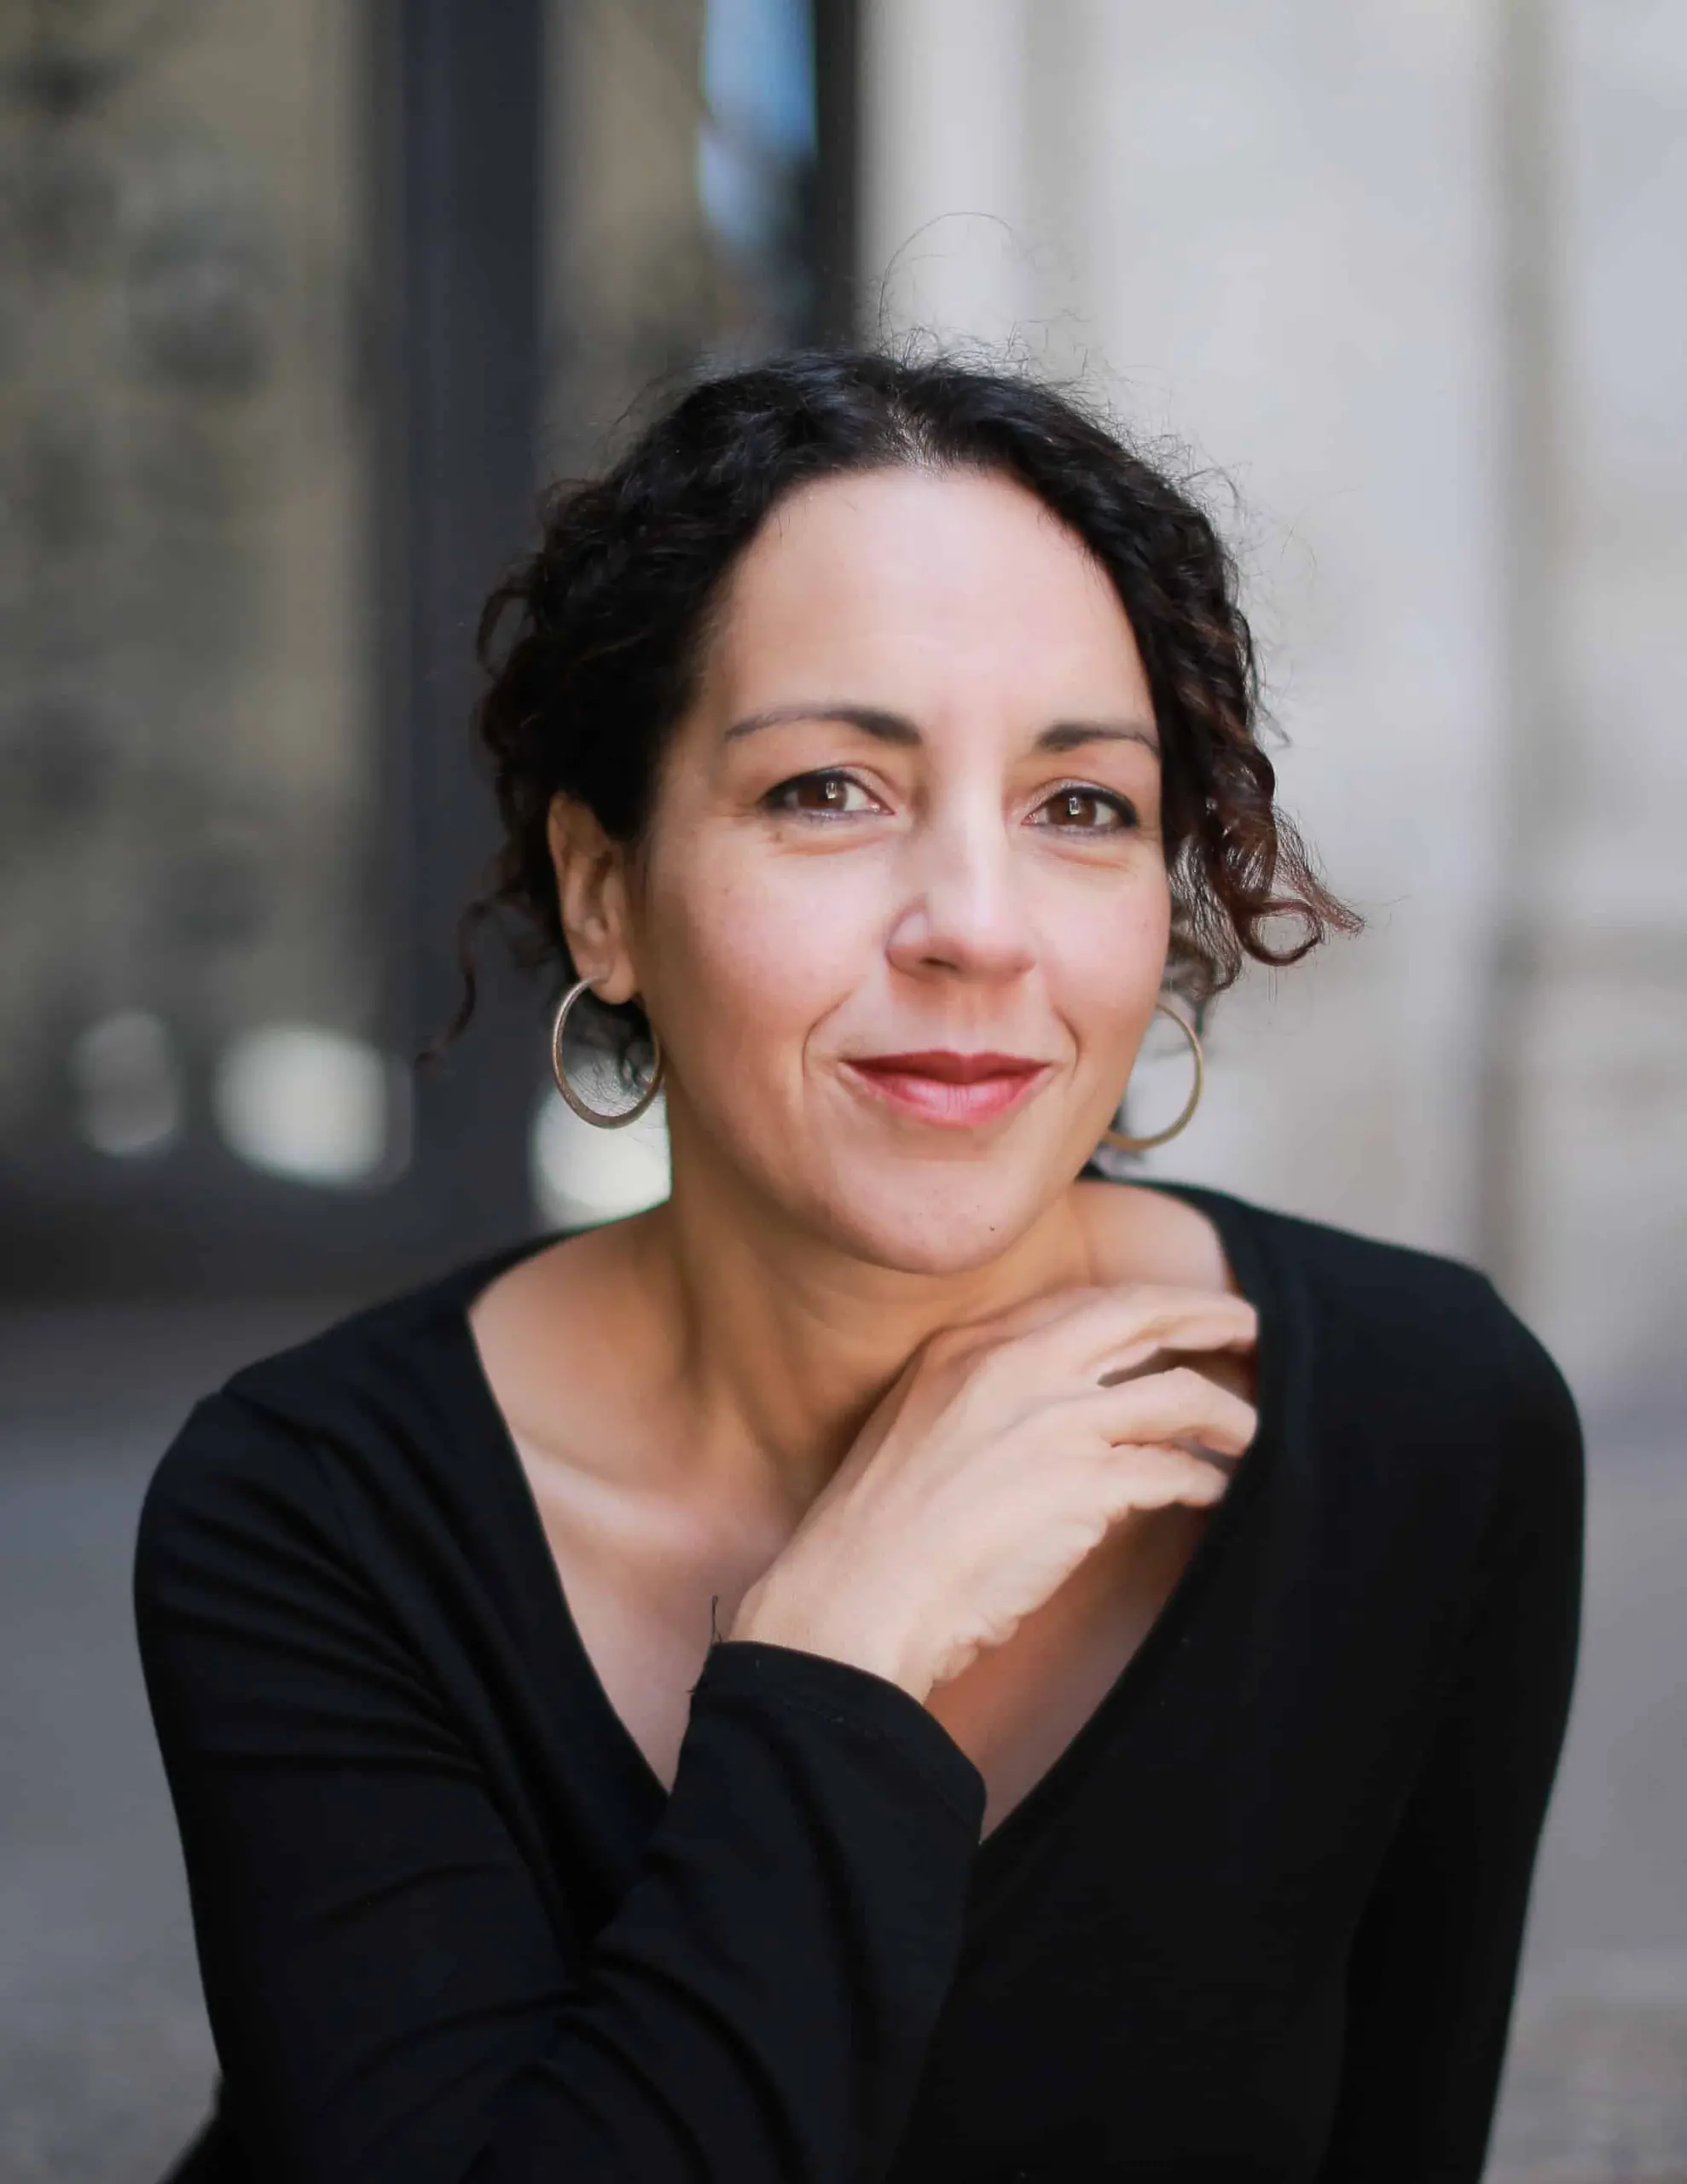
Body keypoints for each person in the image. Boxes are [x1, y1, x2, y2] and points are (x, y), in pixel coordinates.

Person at [135, 349, 1583, 2184]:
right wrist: (839, 1648)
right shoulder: (314, 1510)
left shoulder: (1421, 1422)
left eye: (1081, 805)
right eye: (828, 788)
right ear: (603, 892)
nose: (975, 926)